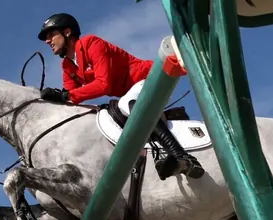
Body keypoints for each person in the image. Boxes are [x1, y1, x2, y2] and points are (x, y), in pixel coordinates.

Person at [36, 13, 204, 180]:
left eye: (51, 35)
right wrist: (55, 99)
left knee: (127, 103)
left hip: (151, 77)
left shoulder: (90, 43)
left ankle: (182, 157)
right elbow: (72, 99)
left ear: (66, 32)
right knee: (122, 107)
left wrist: (66, 96)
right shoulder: (67, 65)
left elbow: (103, 84)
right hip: (132, 91)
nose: (47, 41)